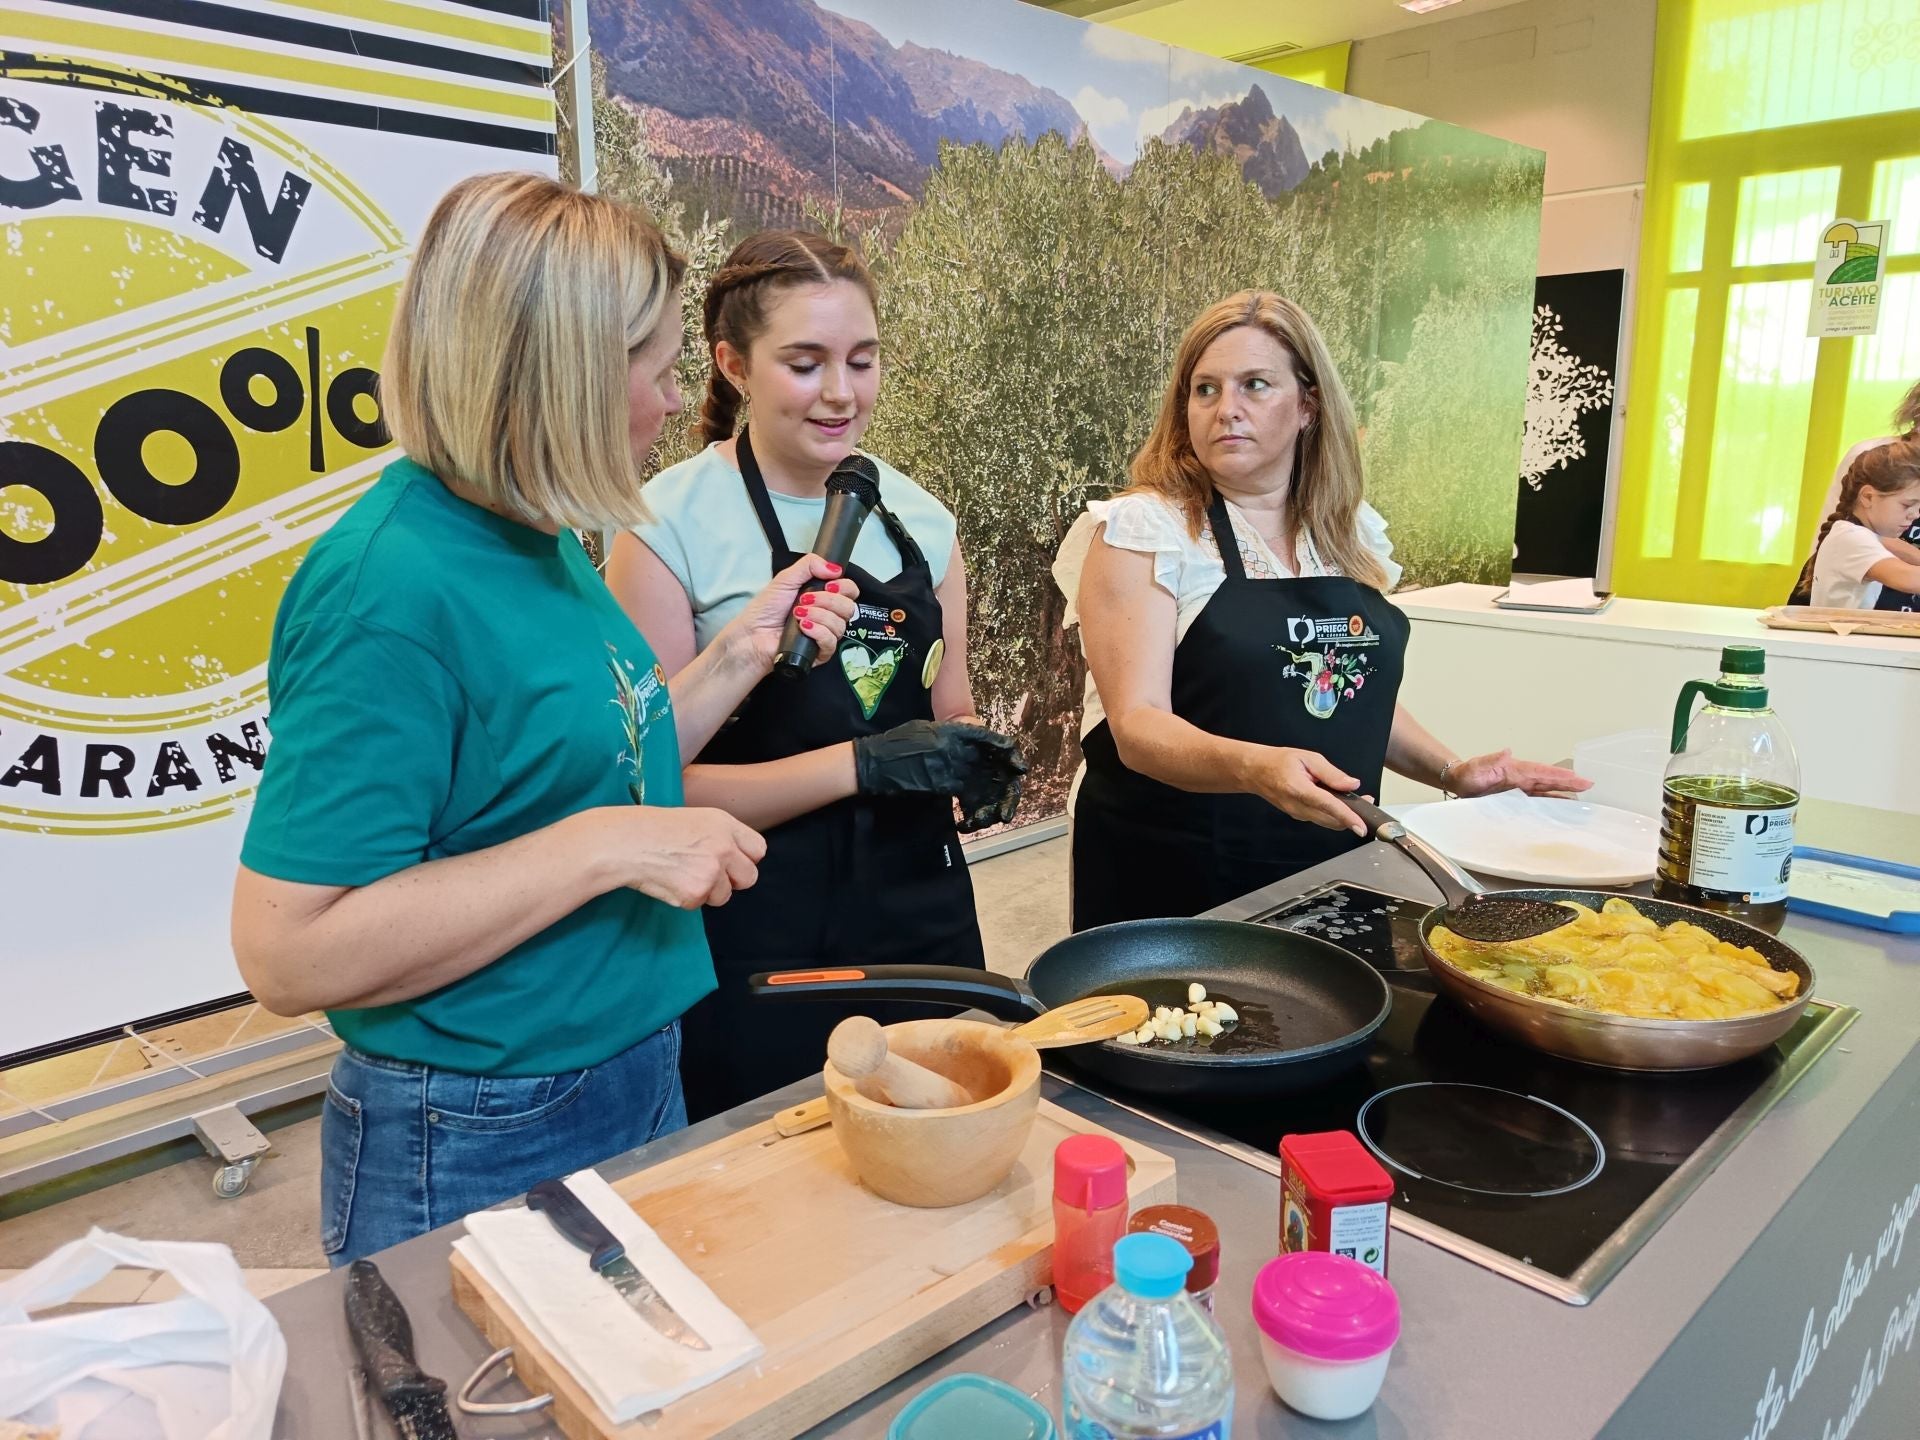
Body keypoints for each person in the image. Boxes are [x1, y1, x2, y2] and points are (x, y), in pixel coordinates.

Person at [230, 175, 862, 1263]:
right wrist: (607, 849)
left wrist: (741, 653)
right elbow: (288, 953)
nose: (672, 405)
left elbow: (600, 757)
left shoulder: (540, 538)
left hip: (630, 1064)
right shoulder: (385, 589)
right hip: (479, 1120)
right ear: (561, 376)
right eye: (657, 373)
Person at [607, 230, 1023, 1120]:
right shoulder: (663, 527)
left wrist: (974, 761)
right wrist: (861, 766)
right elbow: (656, 787)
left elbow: (951, 705)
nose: (841, 393)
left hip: (921, 908)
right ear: (730, 365)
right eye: (805, 363)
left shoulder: (924, 521)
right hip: (753, 919)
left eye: (861, 361)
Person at [1053, 290, 1588, 931]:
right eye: (1205, 389)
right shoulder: (1146, 530)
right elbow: (1138, 729)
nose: (1227, 410)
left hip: (1333, 858)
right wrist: (1256, 766)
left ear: (1308, 404)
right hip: (1177, 868)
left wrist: (1453, 770)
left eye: (1255, 385)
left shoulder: (1345, 533)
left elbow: (1350, 693)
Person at [1802, 379, 1920, 609]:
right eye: (1908, 505)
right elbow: (1907, 577)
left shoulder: (1859, 537)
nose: (1913, 515)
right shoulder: (1852, 538)